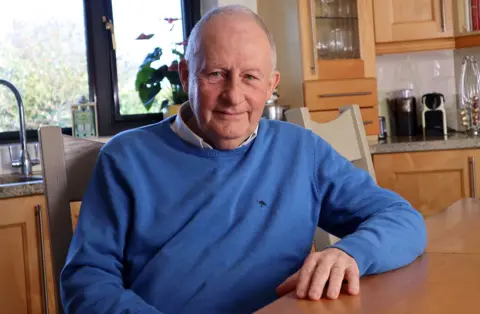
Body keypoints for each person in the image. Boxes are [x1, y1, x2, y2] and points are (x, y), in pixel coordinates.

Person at [60, 5, 426, 314]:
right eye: (216, 74)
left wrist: (350, 253)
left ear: (271, 86)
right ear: (186, 75)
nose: (233, 96)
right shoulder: (125, 159)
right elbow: (86, 280)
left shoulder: (302, 151)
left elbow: (404, 220)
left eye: (250, 77)